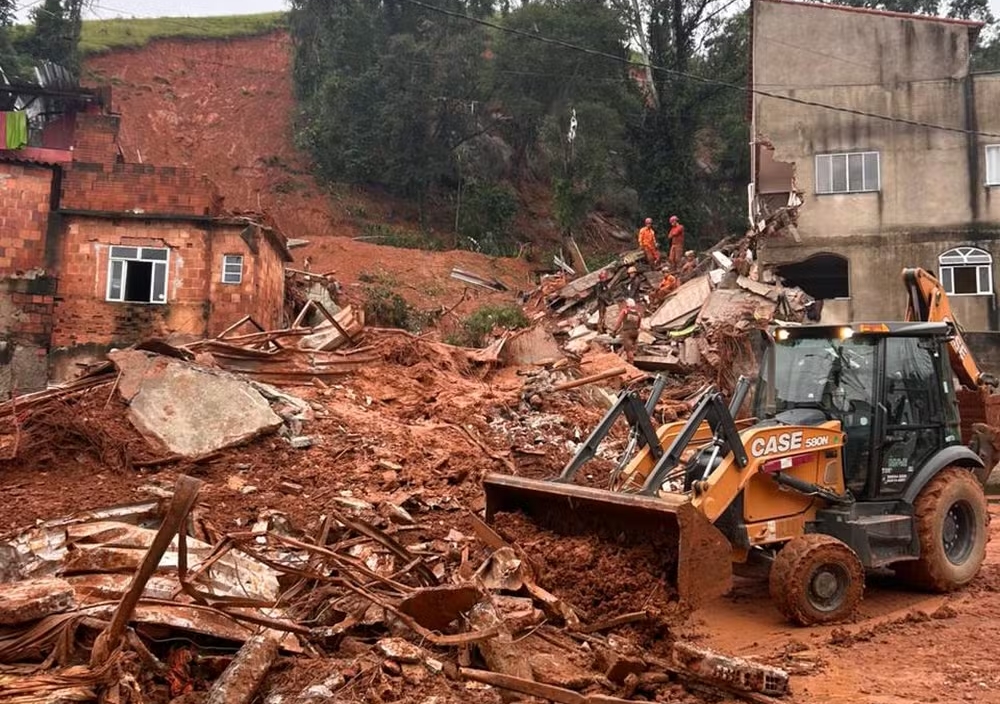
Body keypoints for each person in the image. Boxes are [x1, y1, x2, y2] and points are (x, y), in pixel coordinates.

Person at [613, 298, 642, 363]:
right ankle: (618, 356)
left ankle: (632, 364)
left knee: (629, 350)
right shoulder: (638, 314)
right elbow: (638, 325)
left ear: (627, 305)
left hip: (627, 332)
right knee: (629, 347)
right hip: (635, 333)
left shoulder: (625, 311)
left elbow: (619, 322)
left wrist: (614, 331)